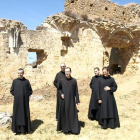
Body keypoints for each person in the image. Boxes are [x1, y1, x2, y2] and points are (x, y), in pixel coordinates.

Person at [57, 67, 80, 134]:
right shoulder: (61, 80)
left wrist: (77, 100)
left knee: (72, 114)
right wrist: (61, 94)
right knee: (65, 114)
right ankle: (65, 129)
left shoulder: (74, 80)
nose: (67, 73)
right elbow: (59, 88)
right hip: (64, 101)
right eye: (66, 72)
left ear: (70, 72)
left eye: (68, 71)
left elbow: (76, 91)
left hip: (71, 101)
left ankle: (73, 129)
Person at [10, 68, 32, 135]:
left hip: (25, 102)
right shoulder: (15, 81)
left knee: (24, 114)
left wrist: (26, 95)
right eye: (18, 73)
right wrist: (17, 95)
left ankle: (25, 130)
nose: (20, 74)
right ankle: (17, 130)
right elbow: (11, 91)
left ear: (23, 73)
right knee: (17, 114)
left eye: (21, 73)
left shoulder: (27, 81)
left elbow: (30, 91)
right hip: (17, 102)